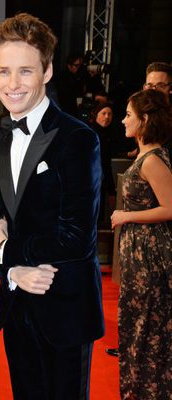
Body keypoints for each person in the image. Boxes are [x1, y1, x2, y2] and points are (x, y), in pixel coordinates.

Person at [0, 13, 104, 400]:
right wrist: (13, 270)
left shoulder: (78, 139)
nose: (12, 84)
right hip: (16, 303)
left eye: (25, 71)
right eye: (3, 71)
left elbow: (78, 237)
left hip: (64, 308)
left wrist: (4, 250)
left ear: (47, 71)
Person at [110, 89, 172, 400]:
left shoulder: (152, 160)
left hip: (149, 260)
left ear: (144, 120)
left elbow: (170, 207)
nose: (123, 120)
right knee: (138, 329)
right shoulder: (147, 156)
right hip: (140, 259)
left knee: (146, 331)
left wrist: (126, 216)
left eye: (128, 115)